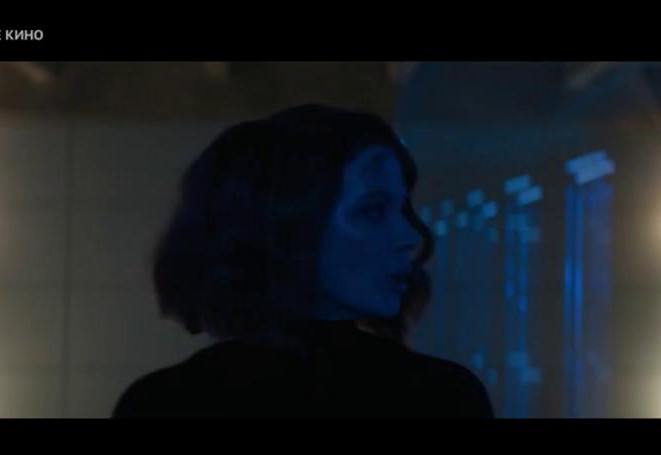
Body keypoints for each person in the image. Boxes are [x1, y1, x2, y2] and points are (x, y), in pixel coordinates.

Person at [113, 104, 494, 418]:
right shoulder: (440, 396)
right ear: (286, 223)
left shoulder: (161, 401)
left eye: (401, 209)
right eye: (374, 210)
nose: (410, 236)